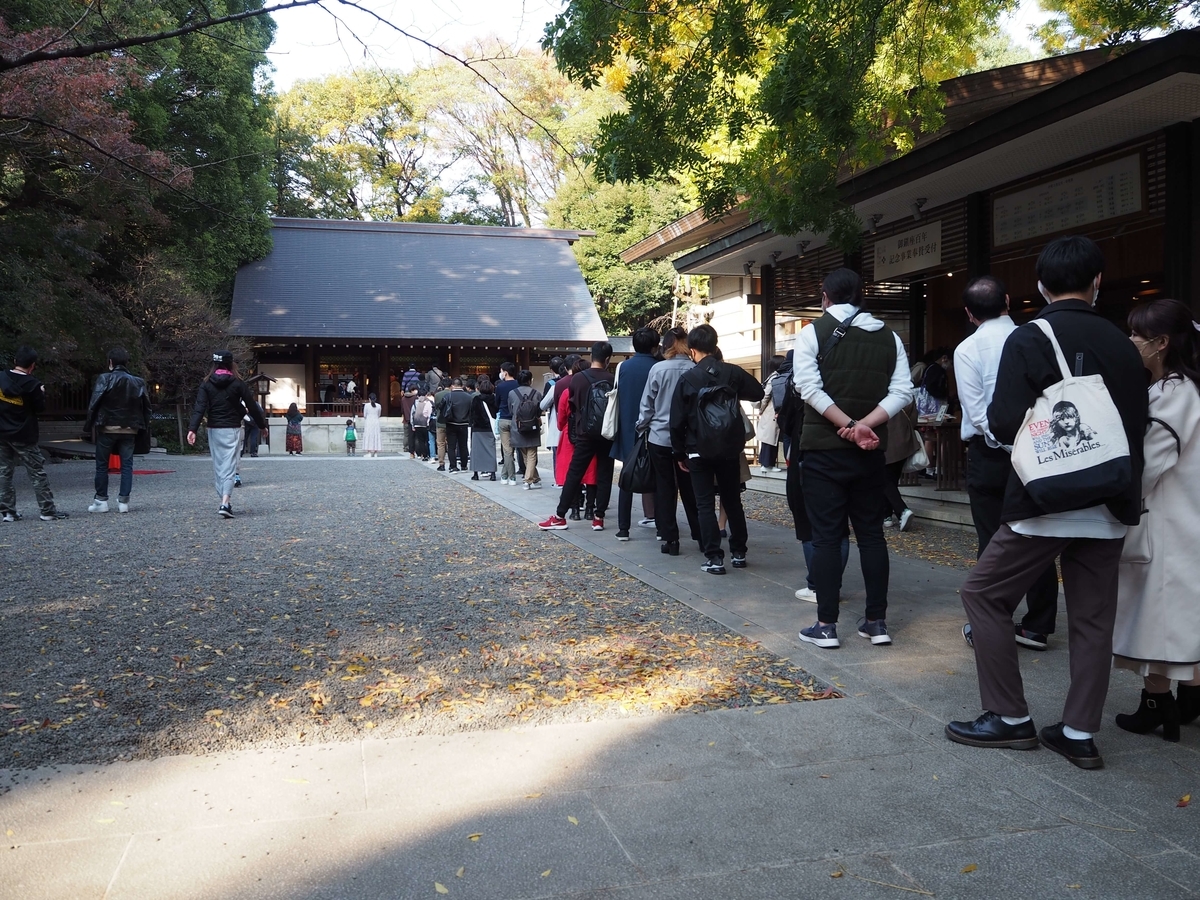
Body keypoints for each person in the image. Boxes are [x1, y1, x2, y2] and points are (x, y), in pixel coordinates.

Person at [945, 235, 1147, 770]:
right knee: (1092, 619)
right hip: (1109, 500)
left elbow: (1004, 421)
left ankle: (1008, 717)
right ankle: (1079, 731)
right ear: (1097, 282)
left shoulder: (1030, 338)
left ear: (1038, 287)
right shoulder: (1123, 342)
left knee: (984, 595)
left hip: (1044, 499)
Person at [792, 267, 912, 648]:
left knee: (827, 538)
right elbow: (903, 392)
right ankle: (876, 622)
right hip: (871, 452)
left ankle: (826, 625)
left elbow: (807, 388)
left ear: (824, 295)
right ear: (862, 295)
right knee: (873, 536)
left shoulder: (812, 332)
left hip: (824, 450)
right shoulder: (890, 337)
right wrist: (865, 426)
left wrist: (847, 424)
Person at [1111, 298, 1200, 742]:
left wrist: (1114, 500)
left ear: (1161, 343)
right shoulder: (1185, 389)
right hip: (1184, 518)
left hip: (1167, 521)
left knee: (1158, 617)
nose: (1130, 342)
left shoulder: (1172, 394)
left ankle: (1157, 703)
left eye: (1136, 335)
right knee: (1177, 617)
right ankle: (1179, 700)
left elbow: (1148, 466)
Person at [955, 275, 1059, 652]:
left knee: (992, 539)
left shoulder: (968, 349)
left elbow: (977, 412)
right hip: (1039, 447)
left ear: (969, 313)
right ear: (1009, 301)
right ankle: (1038, 625)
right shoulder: (1037, 337)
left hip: (990, 453)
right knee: (1037, 534)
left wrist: (1004, 441)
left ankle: (992, 619)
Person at [669, 324, 764, 574]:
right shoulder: (732, 373)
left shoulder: (688, 378)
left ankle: (713, 557)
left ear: (692, 350)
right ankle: (739, 551)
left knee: (704, 503)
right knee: (732, 500)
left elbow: (676, 420)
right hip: (729, 447)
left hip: (697, 448)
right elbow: (758, 392)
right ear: (715, 345)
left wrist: (679, 452)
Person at [540, 342, 617, 531]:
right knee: (605, 475)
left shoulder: (578, 379)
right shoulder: (612, 378)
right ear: (608, 359)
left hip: (584, 433)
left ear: (592, 356)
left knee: (574, 474)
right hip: (606, 433)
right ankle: (598, 518)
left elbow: (572, 406)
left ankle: (560, 515)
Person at [637, 327, 701, 555]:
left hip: (660, 436)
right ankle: (701, 535)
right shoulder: (695, 369)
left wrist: (642, 425)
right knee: (692, 488)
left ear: (667, 345)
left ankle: (670, 538)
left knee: (664, 488)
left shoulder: (658, 369)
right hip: (689, 439)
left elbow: (647, 404)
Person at [187, 351, 268, 519]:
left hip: (214, 427)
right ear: (231, 364)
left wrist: (192, 429)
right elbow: (252, 406)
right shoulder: (238, 383)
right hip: (232, 427)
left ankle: (224, 499)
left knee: (218, 466)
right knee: (230, 465)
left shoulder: (206, 383)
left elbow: (200, 407)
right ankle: (225, 501)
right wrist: (262, 425)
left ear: (214, 364)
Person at [0, 346, 68, 522]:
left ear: (15, 361)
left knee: (4, 471)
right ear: (32, 366)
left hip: (2, 431)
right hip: (23, 433)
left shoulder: (1, 378)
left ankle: (8, 511)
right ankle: (47, 510)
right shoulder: (32, 385)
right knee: (36, 472)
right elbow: (40, 408)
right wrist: (41, 393)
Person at [84, 346, 153, 514]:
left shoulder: (104, 379)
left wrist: (89, 425)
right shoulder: (138, 382)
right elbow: (147, 407)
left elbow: (94, 403)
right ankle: (124, 501)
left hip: (107, 426)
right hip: (130, 428)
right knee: (127, 466)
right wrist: (143, 427)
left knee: (102, 464)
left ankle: (101, 500)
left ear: (110, 362)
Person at [612, 327, 661, 540]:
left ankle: (623, 529)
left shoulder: (623, 367)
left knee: (627, 477)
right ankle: (663, 527)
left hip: (628, 429)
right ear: (654, 346)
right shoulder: (660, 367)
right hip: (656, 431)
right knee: (661, 478)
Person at [554, 357, 597, 519]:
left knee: (573, 473)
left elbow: (561, 418)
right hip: (592, 433)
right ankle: (590, 510)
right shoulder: (596, 389)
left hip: (570, 435)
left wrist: (563, 428)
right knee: (592, 473)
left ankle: (575, 510)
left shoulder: (568, 391)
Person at [509, 370, 543, 489]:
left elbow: (510, 410)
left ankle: (533, 478)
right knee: (532, 453)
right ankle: (528, 480)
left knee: (524, 453)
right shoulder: (537, 393)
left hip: (518, 426)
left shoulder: (512, 393)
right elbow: (539, 410)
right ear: (530, 380)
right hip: (532, 425)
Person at [757, 356, 786, 472]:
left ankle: (767, 464)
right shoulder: (775, 377)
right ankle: (767, 464)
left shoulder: (772, 376)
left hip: (770, 411)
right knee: (770, 438)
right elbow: (766, 395)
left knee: (770, 438)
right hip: (770, 411)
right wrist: (761, 409)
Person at [438, 377, 473, 472]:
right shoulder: (468, 397)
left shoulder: (448, 396)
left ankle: (453, 466)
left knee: (451, 446)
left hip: (451, 423)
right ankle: (464, 465)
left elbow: (441, 407)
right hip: (464, 423)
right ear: (462, 386)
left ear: (452, 386)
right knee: (463, 445)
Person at [470, 374, 499, 481]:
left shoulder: (476, 399)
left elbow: (472, 414)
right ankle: (492, 473)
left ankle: (476, 473)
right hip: (490, 428)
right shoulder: (494, 399)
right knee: (491, 451)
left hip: (478, 428)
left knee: (476, 452)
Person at [541, 358, 565, 483]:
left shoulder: (552, 384)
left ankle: (558, 479)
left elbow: (544, 404)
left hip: (556, 419)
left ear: (551, 369)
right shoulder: (575, 381)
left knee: (557, 451)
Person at [411, 388, 433, 460]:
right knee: (426, 440)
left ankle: (421, 454)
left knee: (420, 440)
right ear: (426, 394)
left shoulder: (415, 402)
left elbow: (412, 414)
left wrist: (412, 424)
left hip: (417, 423)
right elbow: (429, 413)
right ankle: (427, 454)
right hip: (425, 423)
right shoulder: (428, 402)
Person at [362, 392, 382, 458]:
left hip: (369, 421)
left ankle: (369, 452)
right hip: (376, 422)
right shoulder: (379, 406)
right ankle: (376, 452)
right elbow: (379, 414)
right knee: (376, 436)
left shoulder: (366, 405)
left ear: (369, 399)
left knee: (369, 436)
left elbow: (364, 415)